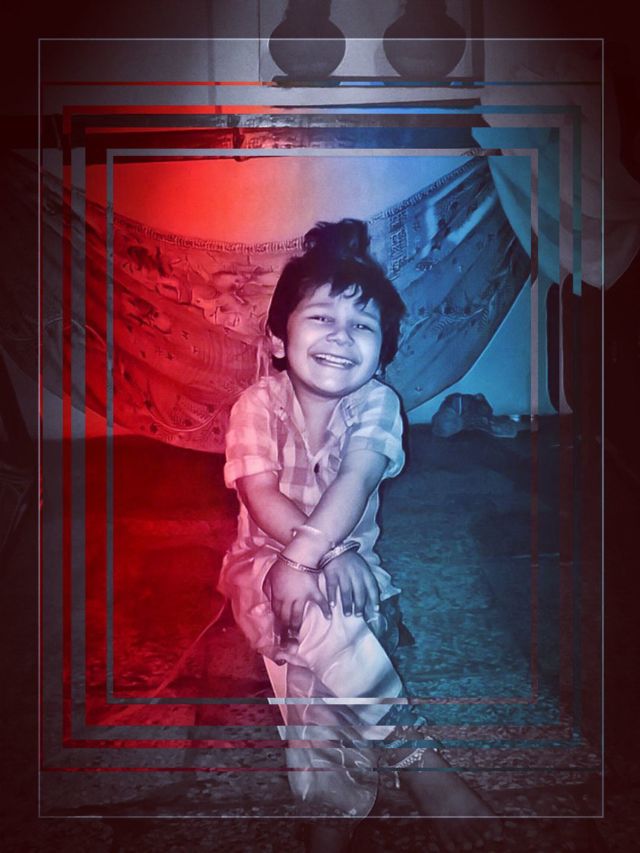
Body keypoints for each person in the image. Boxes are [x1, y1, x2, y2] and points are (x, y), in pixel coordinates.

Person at [219, 219, 497, 851]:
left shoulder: (378, 403)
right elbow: (260, 495)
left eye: (364, 326)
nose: (342, 336)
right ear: (278, 339)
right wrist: (314, 557)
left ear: (382, 352)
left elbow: (357, 477)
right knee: (318, 633)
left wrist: (326, 555)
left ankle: (329, 810)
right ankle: (415, 756)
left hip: (346, 565)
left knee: (320, 690)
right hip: (265, 567)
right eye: (322, 318)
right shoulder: (256, 405)